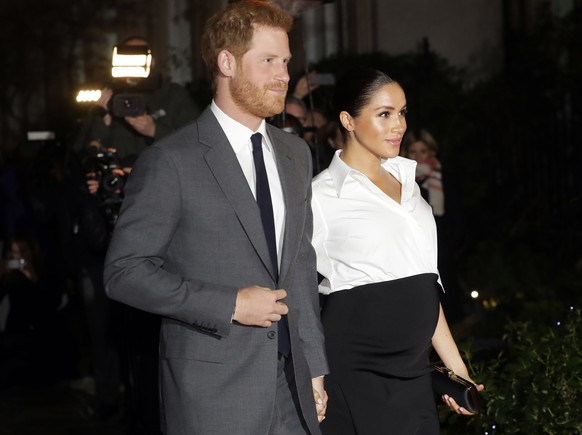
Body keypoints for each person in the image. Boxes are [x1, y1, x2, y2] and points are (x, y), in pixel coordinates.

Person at [103, 1, 328, 434]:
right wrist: (229, 304)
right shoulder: (171, 160)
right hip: (213, 392)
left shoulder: (295, 154)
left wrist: (315, 367)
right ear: (227, 62)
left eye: (285, 62)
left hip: (293, 391)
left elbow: (301, 264)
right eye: (268, 61)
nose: (283, 75)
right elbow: (124, 272)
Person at [311, 67, 483, 434]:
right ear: (348, 120)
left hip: (414, 369)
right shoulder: (319, 197)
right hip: (355, 368)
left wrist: (456, 367)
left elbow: (424, 284)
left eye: (402, 112)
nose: (399, 125)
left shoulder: (412, 188)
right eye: (384, 113)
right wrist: (311, 373)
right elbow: (294, 291)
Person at [73, 36, 200, 161]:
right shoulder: (109, 96)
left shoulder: (171, 94)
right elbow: (84, 152)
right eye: (128, 57)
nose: (133, 62)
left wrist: (154, 130)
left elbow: (195, 141)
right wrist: (103, 118)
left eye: (139, 55)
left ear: (152, 61)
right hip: (117, 177)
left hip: (159, 176)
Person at [402, 129, 444, 216]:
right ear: (405, 153)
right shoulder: (399, 178)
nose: (418, 157)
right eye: (413, 152)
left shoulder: (441, 178)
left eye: (423, 151)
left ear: (431, 152)